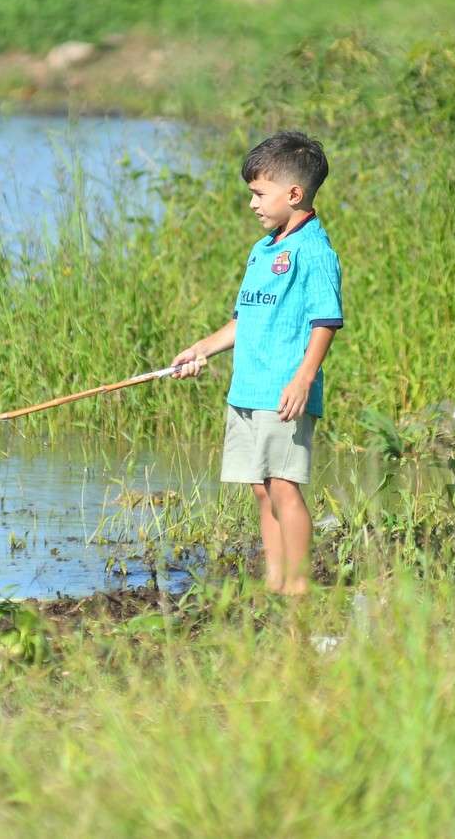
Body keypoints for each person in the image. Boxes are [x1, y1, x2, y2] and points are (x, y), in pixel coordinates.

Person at [171, 130, 343, 596]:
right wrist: (202, 348)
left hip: (283, 391)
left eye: (259, 194)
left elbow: (326, 321)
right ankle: (274, 581)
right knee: (262, 488)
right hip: (248, 387)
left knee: (284, 485)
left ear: (294, 194)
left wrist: (303, 379)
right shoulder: (264, 249)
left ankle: (299, 586)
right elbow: (244, 320)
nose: (252, 204)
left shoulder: (314, 250)